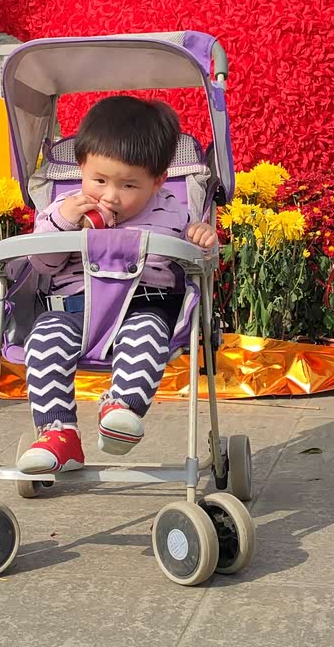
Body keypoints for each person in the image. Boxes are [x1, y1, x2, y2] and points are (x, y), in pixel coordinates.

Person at [17, 95, 217, 474]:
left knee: (148, 334)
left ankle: (121, 409)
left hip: (141, 306)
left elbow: (195, 260)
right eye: (99, 180)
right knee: (43, 341)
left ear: (157, 182)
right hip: (71, 310)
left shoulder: (172, 211)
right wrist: (63, 225)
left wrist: (201, 239)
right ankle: (58, 433)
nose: (110, 196)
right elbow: (42, 264)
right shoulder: (64, 209)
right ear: (81, 168)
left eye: (128, 185)